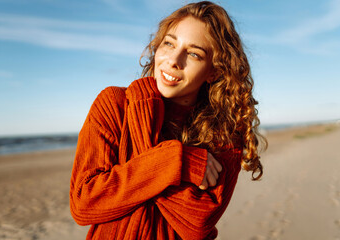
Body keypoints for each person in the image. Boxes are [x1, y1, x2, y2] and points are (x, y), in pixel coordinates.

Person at [70, 1, 267, 239]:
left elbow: (197, 223)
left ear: (213, 71)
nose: (174, 59)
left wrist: (150, 166)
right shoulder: (115, 104)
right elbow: (84, 203)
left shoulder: (224, 131)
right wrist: (176, 160)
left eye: (194, 54)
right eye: (169, 43)